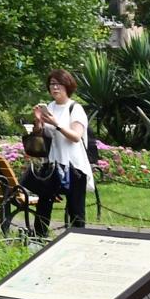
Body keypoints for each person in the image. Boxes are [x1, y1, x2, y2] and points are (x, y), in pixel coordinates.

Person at [32, 68, 94, 235]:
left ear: (68, 86)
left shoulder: (75, 108)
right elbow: (42, 136)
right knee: (44, 201)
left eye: (58, 84)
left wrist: (56, 123)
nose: (55, 88)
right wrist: (38, 122)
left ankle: (78, 238)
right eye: (52, 84)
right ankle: (39, 237)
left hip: (74, 165)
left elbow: (75, 136)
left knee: (75, 206)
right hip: (53, 163)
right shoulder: (50, 107)